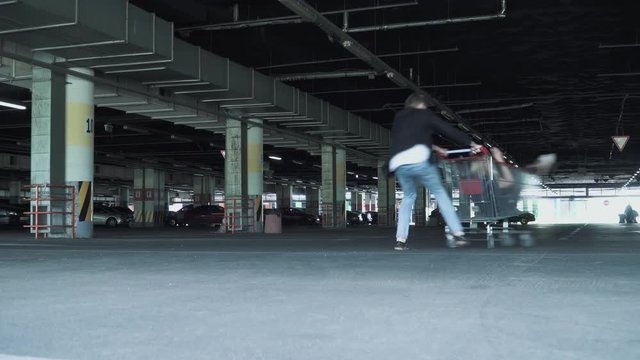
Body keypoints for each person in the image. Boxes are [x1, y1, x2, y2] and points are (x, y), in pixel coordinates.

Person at [389, 92, 481, 250]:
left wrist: (437, 148)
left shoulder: (399, 118)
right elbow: (447, 130)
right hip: (421, 161)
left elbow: (410, 139)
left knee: (408, 197)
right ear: (420, 105)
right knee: (439, 193)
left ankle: (400, 240)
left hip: (400, 163)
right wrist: (471, 143)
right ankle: (458, 233)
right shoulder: (424, 114)